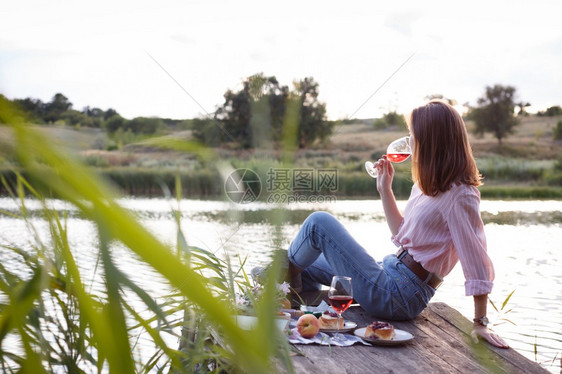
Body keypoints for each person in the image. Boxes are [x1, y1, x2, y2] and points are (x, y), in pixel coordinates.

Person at [281, 100, 509, 348]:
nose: (410, 143)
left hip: (400, 295)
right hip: (390, 273)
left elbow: (476, 260)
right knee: (308, 265)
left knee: (318, 223)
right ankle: (293, 293)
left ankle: (282, 280)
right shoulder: (427, 186)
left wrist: (480, 322)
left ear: (432, 140)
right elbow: (402, 234)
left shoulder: (460, 195)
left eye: (413, 136)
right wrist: (384, 189)